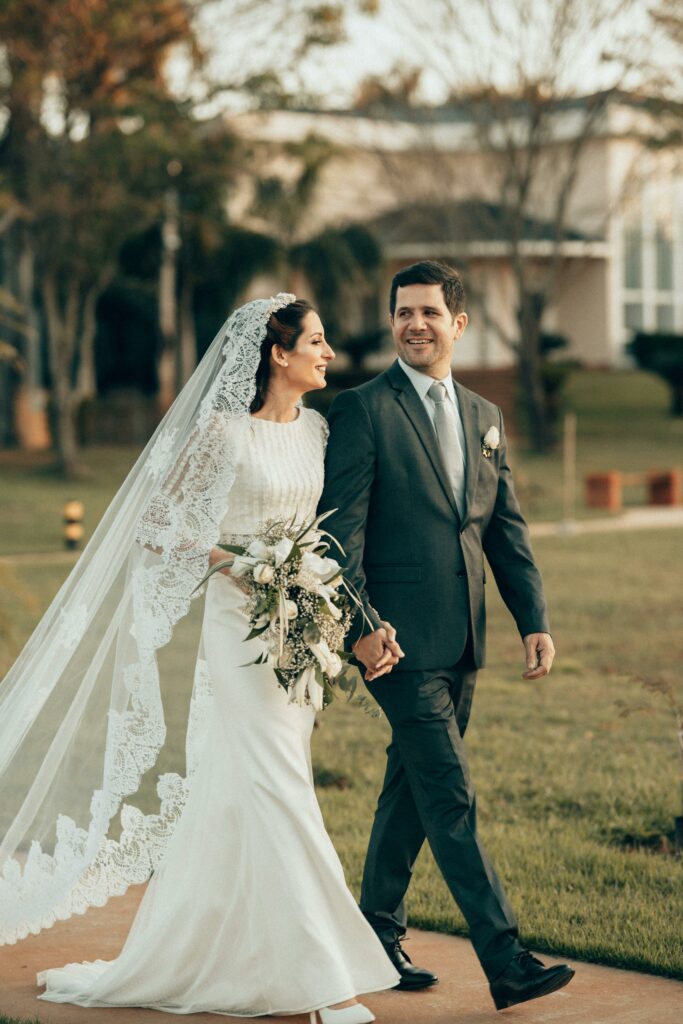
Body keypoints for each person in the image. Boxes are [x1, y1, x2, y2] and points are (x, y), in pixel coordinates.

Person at [2, 296, 399, 1021]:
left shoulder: (317, 429)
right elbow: (154, 524)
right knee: (278, 787)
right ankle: (327, 983)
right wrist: (235, 562)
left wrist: (324, 601)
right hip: (237, 629)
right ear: (277, 355)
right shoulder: (222, 434)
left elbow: (329, 535)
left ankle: (225, 951)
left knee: (250, 787)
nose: (328, 353)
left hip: (298, 633)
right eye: (316, 341)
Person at [319, 261, 575, 1012]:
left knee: (410, 790)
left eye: (429, 312)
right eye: (403, 312)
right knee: (450, 794)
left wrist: (533, 619)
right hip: (394, 647)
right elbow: (338, 536)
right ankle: (506, 959)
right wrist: (362, 628)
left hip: (464, 641)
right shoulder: (363, 409)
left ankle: (376, 935)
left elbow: (503, 529)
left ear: (458, 324)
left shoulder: (484, 415)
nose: (415, 324)